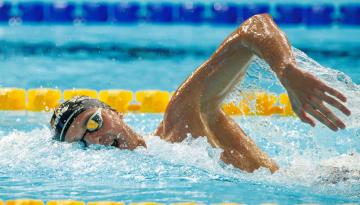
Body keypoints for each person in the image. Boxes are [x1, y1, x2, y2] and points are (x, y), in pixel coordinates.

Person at [50, 14, 351, 174]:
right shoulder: (156, 171)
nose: (97, 138)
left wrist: (286, 71)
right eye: (83, 143)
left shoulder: (181, 122)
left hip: (336, 177)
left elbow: (253, 28)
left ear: (116, 112)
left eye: (94, 123)